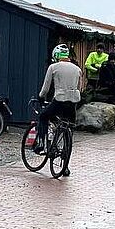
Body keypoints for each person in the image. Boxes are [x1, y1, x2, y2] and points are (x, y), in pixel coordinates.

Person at [34, 45, 81, 175]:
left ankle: (41, 143)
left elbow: (46, 88)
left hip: (60, 100)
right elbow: (79, 87)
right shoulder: (77, 69)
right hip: (73, 103)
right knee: (68, 131)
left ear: (55, 56)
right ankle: (65, 167)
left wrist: (40, 97)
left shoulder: (53, 67)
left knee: (43, 116)